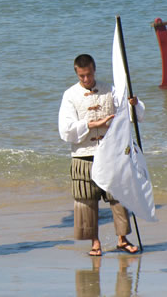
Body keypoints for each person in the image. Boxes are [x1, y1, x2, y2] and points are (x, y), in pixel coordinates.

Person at [58, 54, 144, 256]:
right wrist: (92, 125)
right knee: (86, 200)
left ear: (94, 70)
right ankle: (94, 243)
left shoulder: (111, 90)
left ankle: (122, 239)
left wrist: (134, 104)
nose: (86, 80)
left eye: (88, 75)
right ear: (76, 74)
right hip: (83, 154)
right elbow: (65, 130)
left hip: (111, 152)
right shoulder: (70, 95)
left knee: (118, 197)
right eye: (81, 76)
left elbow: (133, 116)